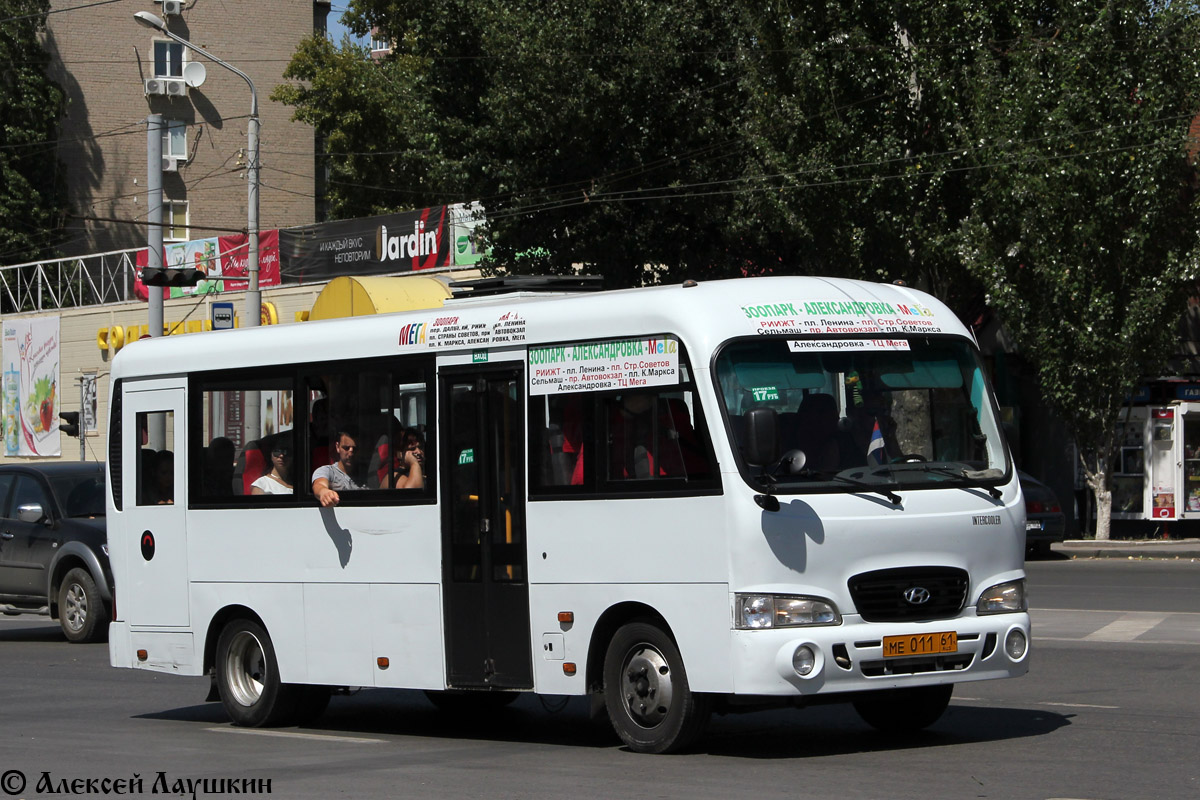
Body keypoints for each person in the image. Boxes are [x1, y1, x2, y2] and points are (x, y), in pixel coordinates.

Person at [312, 429, 365, 507]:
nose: (350, 454)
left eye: (355, 449)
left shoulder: (367, 474)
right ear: (337, 447)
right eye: (346, 448)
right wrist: (324, 493)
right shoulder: (327, 471)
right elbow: (319, 485)